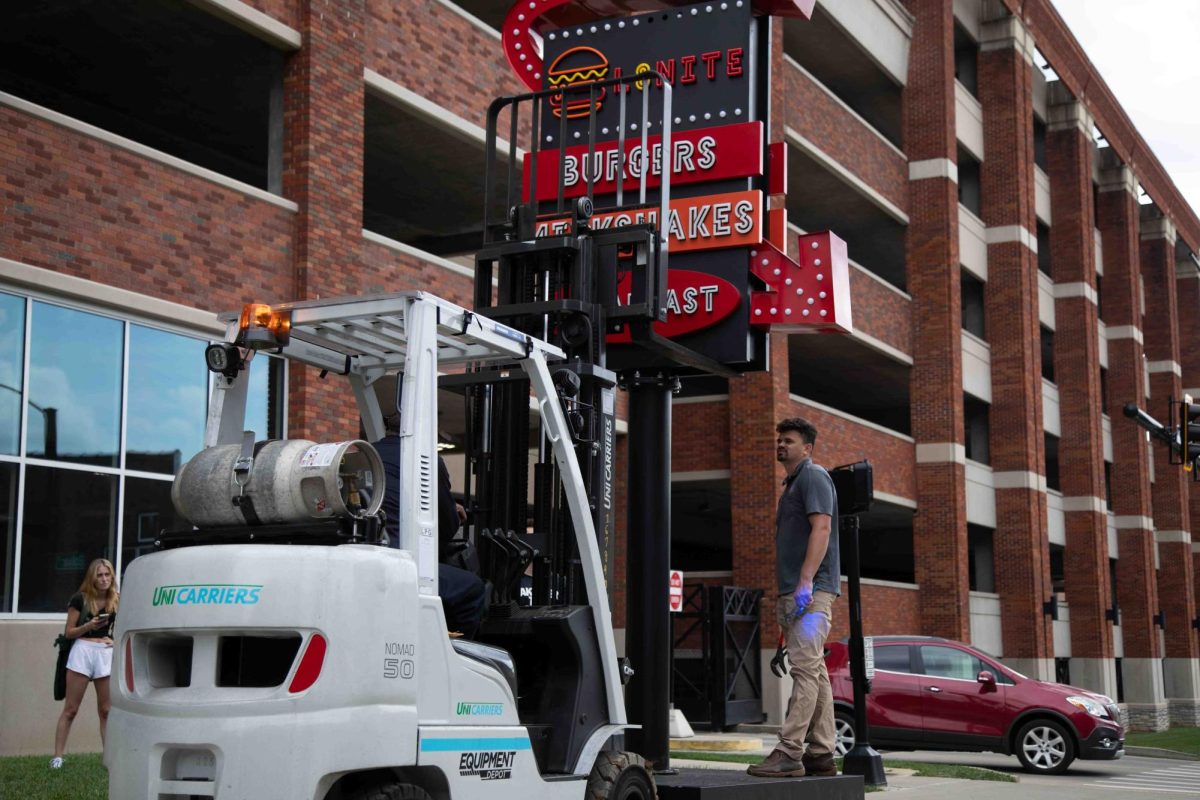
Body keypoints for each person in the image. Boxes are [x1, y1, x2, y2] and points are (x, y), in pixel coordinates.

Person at [748, 417, 840, 779]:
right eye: (779, 440)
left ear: (808, 448)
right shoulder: (793, 484)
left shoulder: (814, 476)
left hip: (811, 591)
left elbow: (823, 526)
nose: (781, 445)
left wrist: (805, 583)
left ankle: (789, 751)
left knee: (804, 671)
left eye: (788, 440)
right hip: (798, 592)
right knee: (815, 671)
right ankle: (821, 753)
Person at [373, 415, 486, 637]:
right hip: (401, 561)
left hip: (370, 552)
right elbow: (445, 525)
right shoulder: (425, 459)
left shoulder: (366, 453)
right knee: (472, 589)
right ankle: (457, 659)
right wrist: (454, 514)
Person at [52, 558, 119, 769]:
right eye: (99, 575)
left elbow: (126, 625)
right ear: (92, 577)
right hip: (82, 650)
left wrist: (114, 641)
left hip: (105, 652)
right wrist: (89, 625)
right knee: (71, 709)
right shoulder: (79, 599)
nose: (104, 579)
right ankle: (58, 757)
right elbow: (69, 632)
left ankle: (108, 758)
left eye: (107, 574)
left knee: (106, 710)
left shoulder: (116, 599)